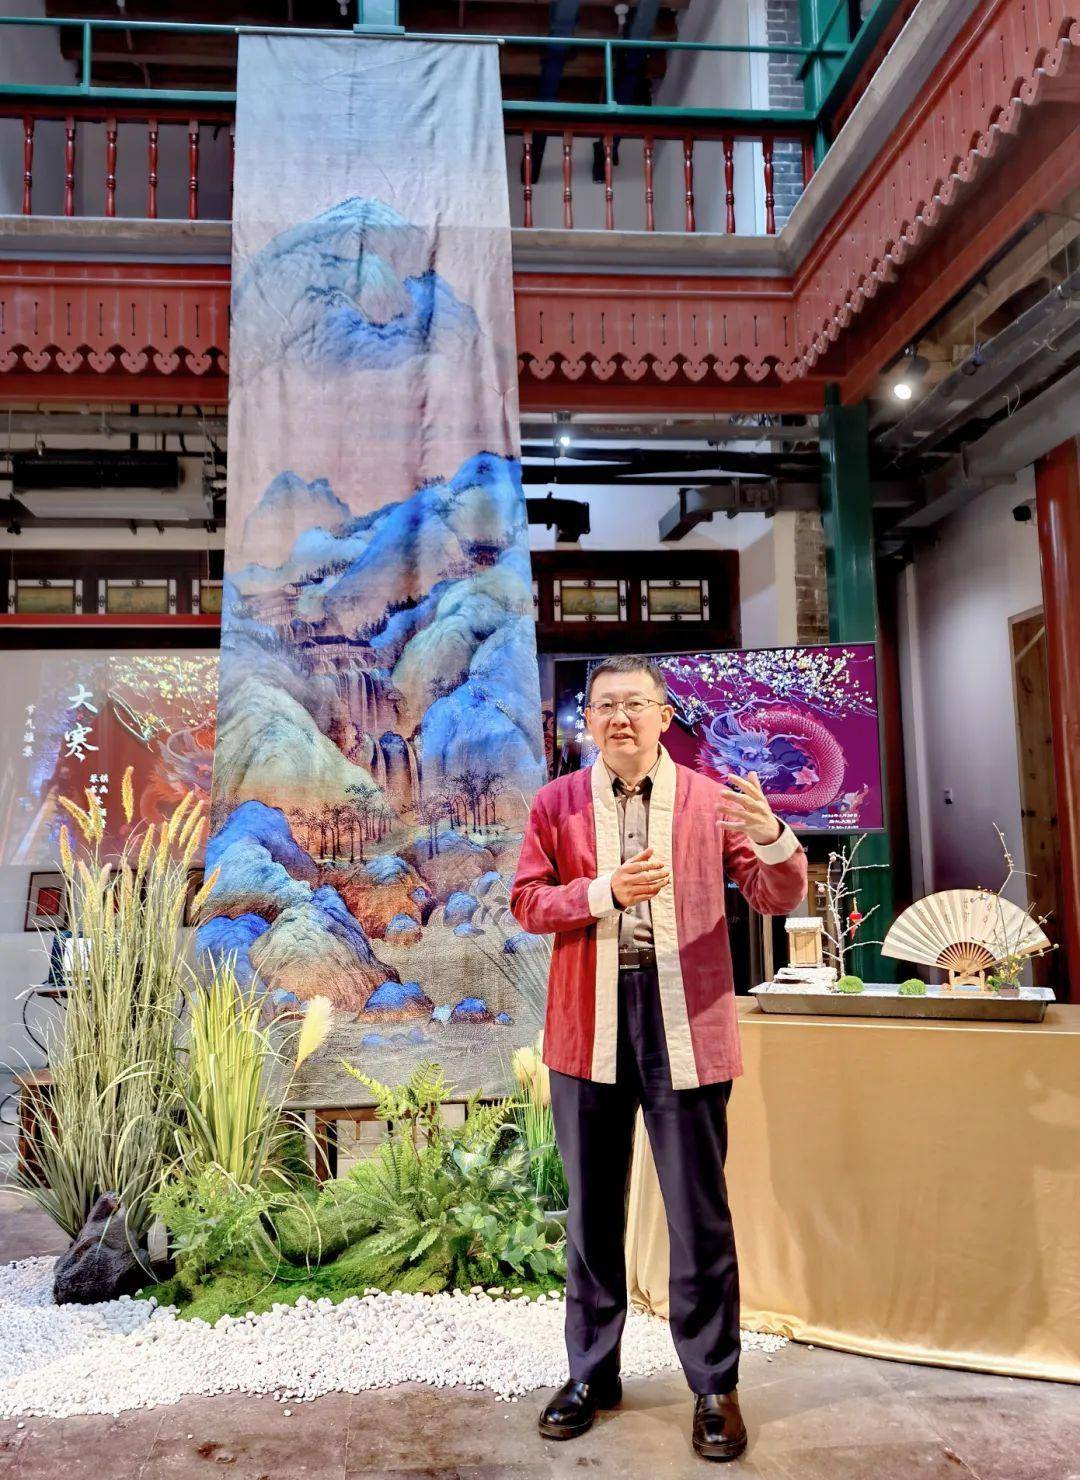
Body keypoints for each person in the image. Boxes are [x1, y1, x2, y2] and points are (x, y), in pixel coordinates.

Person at [509, 656, 808, 1463]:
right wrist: (603, 892)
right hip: (588, 1022)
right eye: (605, 705)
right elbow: (527, 902)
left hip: (687, 1021)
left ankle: (714, 1385)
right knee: (591, 1212)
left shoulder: (712, 802)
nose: (620, 718)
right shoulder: (557, 803)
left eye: (635, 704)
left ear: (664, 716)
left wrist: (771, 835)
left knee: (698, 1213)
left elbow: (778, 897)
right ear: (586, 721)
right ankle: (591, 1374)